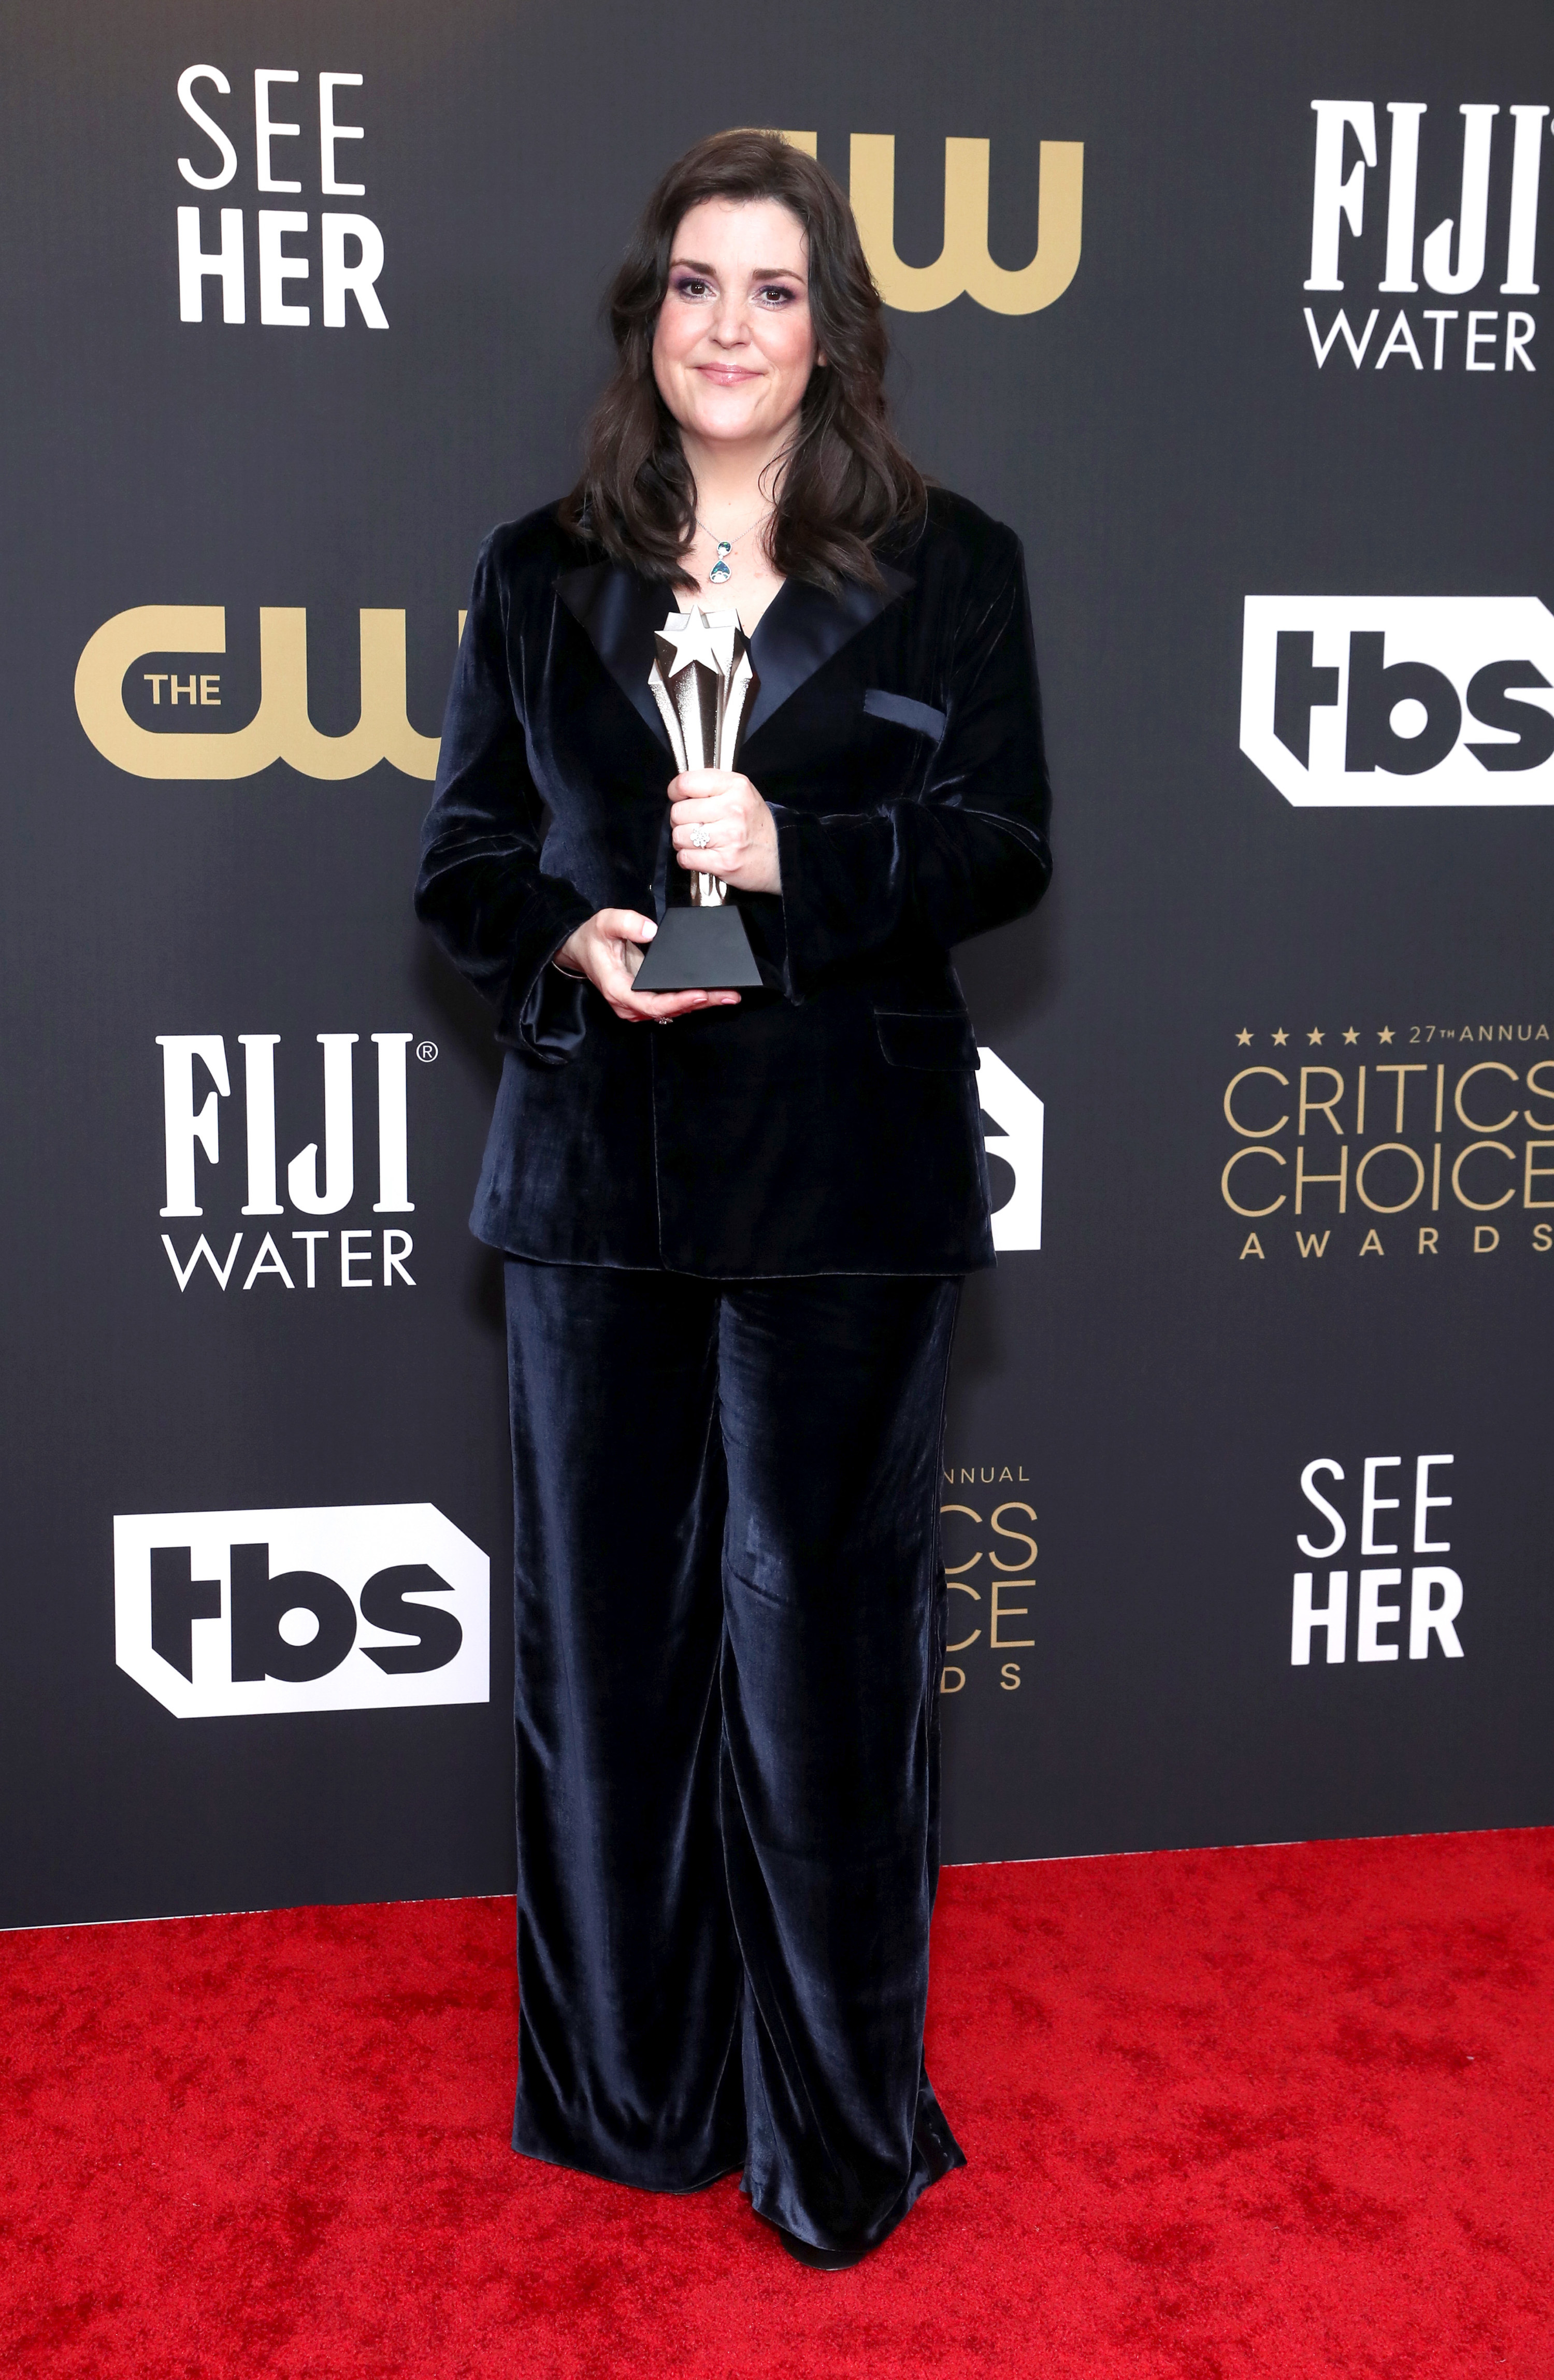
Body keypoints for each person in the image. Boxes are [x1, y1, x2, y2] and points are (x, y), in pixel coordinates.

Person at [414, 128, 1051, 2269]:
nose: (731, 324)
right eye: (698, 282)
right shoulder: (536, 571)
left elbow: (1000, 847)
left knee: (827, 1667)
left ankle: (833, 2130)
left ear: (831, 332)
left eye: (774, 288)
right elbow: (467, 860)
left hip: (843, 1192)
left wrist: (800, 864)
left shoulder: (954, 569)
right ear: (649, 316)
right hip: (600, 1179)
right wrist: (570, 940)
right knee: (603, 1666)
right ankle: (632, 2094)